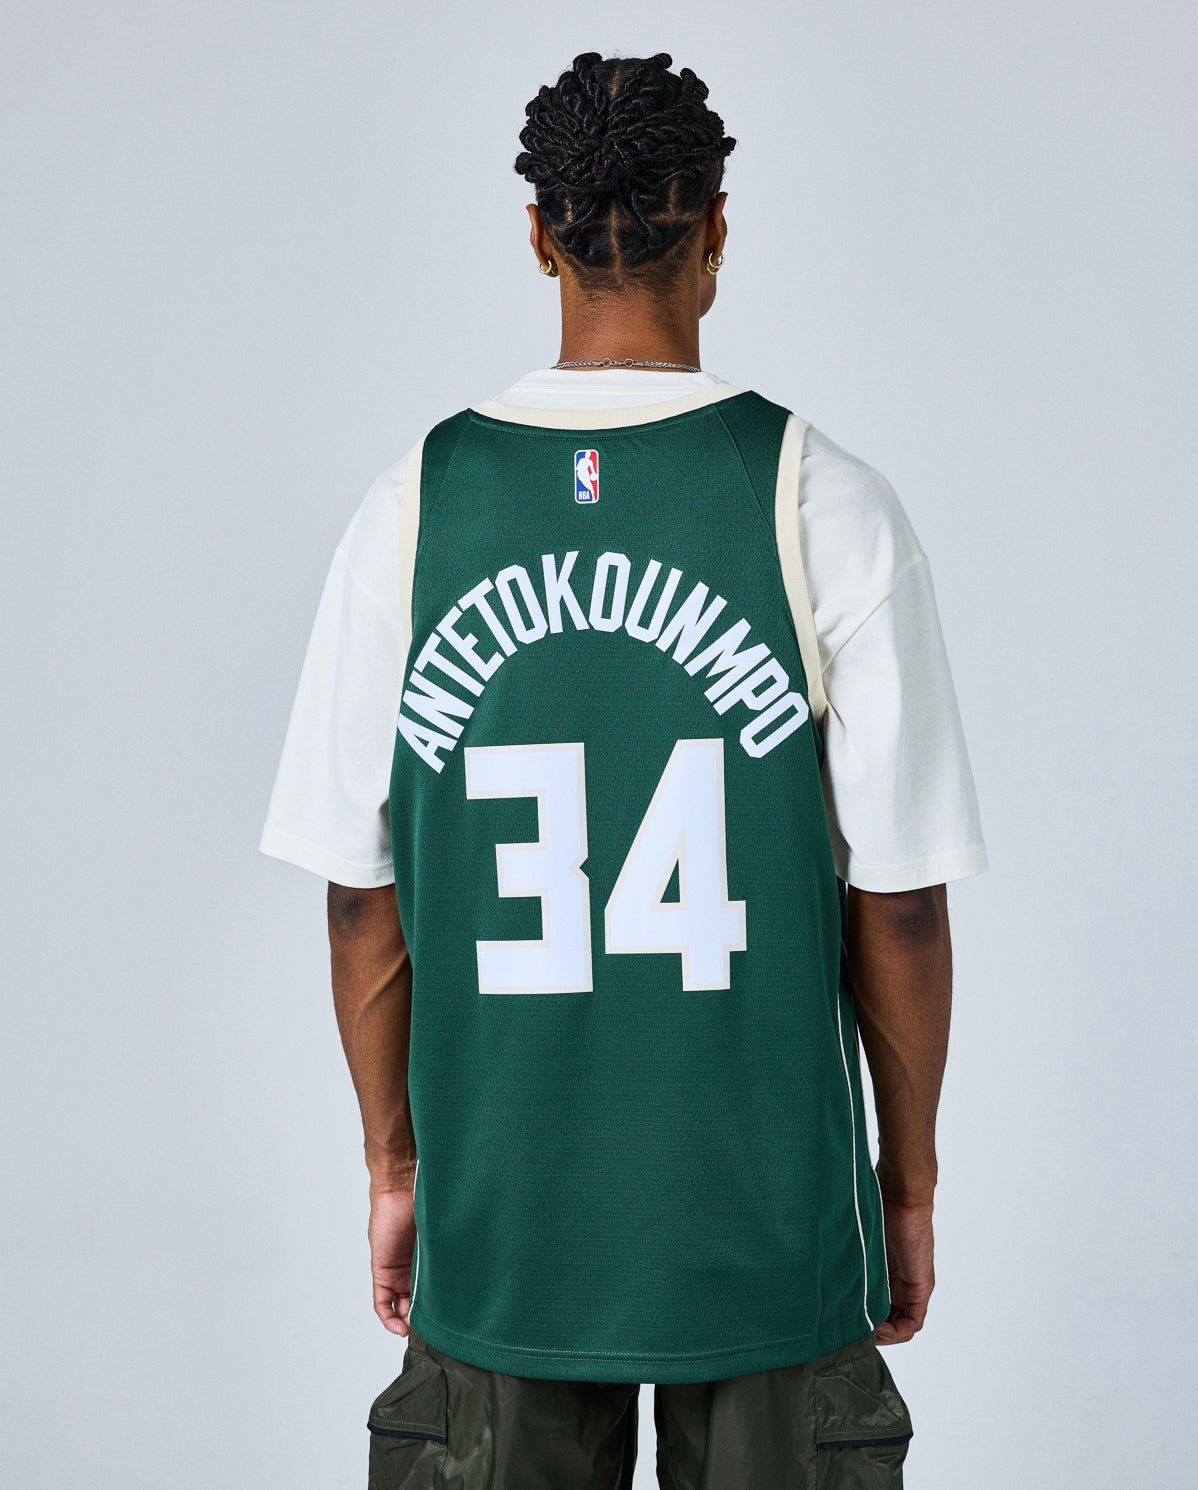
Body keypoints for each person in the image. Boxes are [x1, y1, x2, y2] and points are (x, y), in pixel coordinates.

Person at [261, 50, 987, 1490]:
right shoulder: (823, 500)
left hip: (502, 1224)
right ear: (715, 226)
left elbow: (361, 901)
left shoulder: (414, 507)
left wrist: (396, 1169)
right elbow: (900, 907)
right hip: (772, 1228)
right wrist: (904, 1184)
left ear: (539, 236)